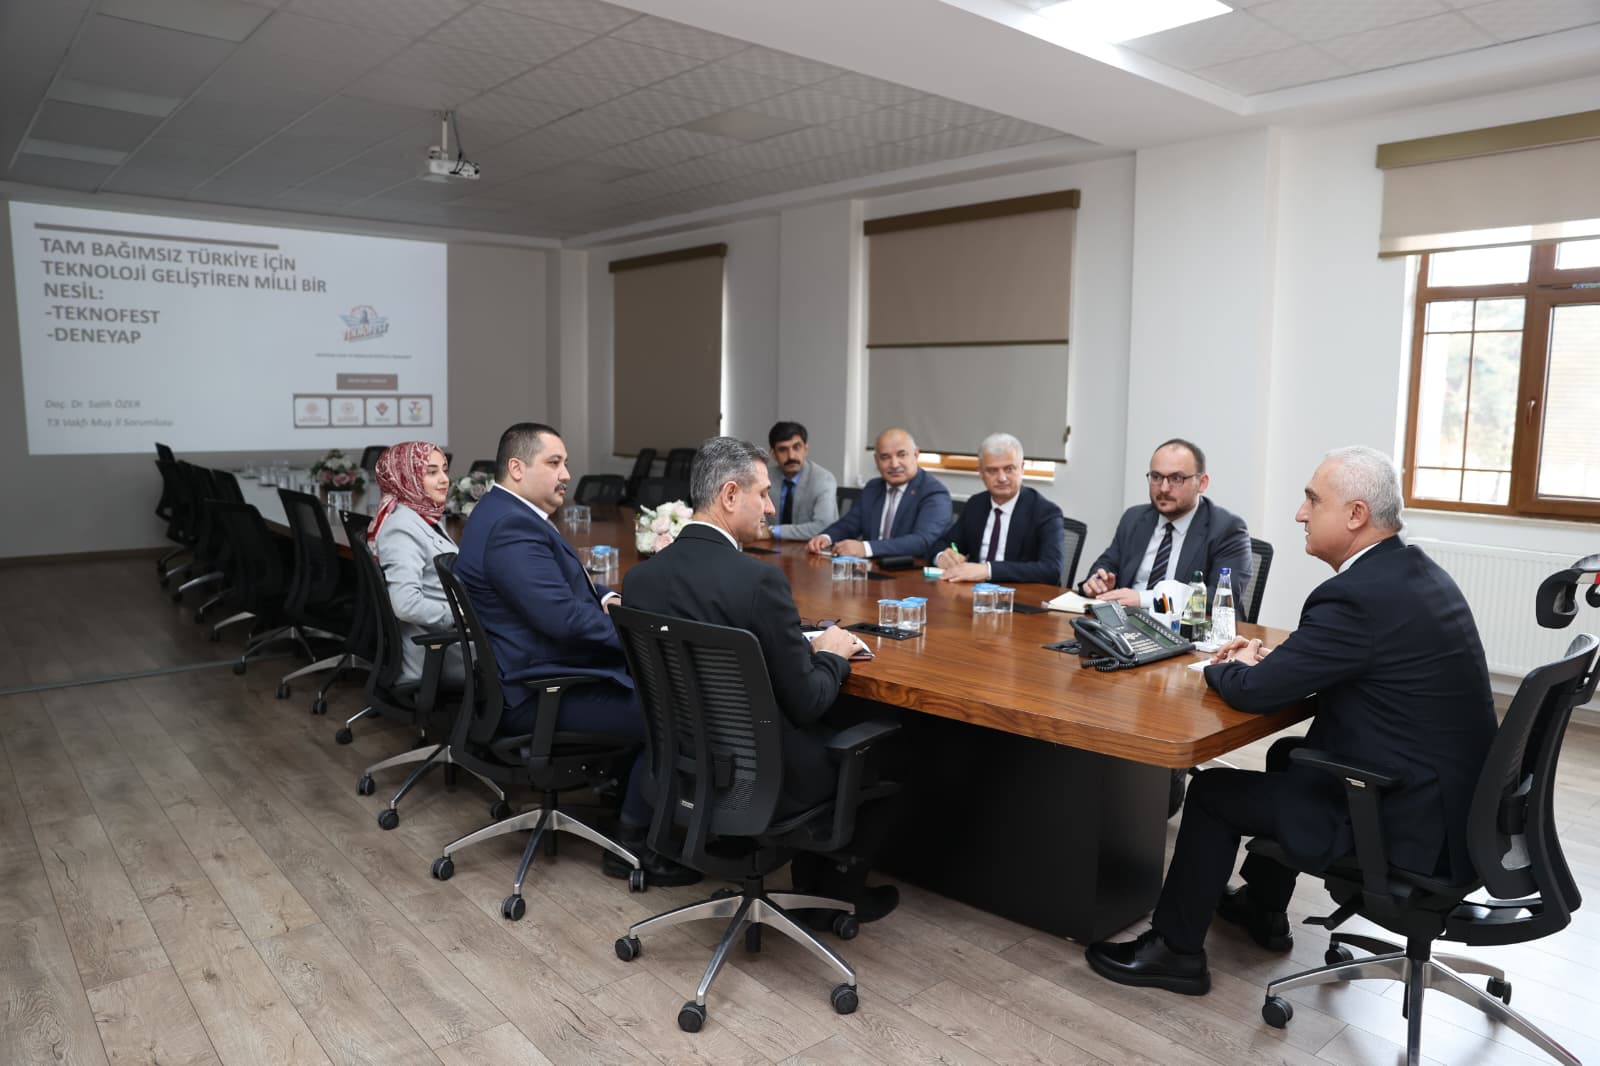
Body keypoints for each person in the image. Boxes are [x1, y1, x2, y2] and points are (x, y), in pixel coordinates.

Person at [1085, 446, 1497, 996]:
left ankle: (1174, 952)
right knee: (1288, 755)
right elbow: (1336, 661)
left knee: (1212, 793)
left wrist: (1224, 665)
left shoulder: (1354, 597)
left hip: (1403, 822)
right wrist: (1273, 664)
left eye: (1312, 500)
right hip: (1456, 809)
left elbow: (1255, 694)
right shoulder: (1410, 572)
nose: (1300, 513)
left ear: (1355, 515)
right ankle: (1263, 907)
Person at [625, 436, 902, 924]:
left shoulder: (641, 579)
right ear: (730, 495)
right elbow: (809, 701)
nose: (771, 508)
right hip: (762, 776)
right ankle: (835, 898)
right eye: (764, 493)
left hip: (682, 766)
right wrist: (832, 654)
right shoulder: (758, 582)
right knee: (884, 751)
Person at [454, 422, 699, 886]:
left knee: (657, 684)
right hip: (541, 691)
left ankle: (623, 796)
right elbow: (563, 620)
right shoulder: (511, 528)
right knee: (675, 709)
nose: (566, 474)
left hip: (534, 674)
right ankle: (635, 842)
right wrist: (644, 638)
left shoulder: (503, 512)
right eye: (554, 463)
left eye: (565, 463)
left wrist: (606, 598)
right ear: (516, 468)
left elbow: (562, 588)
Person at [1079, 438, 1252, 609]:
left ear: (1202, 483)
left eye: (1176, 478)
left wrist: (1145, 599)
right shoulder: (1134, 518)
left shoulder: (1227, 529)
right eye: (1156, 477)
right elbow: (1107, 563)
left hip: (1187, 625)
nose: (1163, 488)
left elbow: (1221, 597)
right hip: (1126, 620)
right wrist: (1099, 582)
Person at [366, 441, 463, 686]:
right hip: (443, 649)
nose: (444, 480)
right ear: (405, 477)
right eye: (431, 472)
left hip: (452, 637)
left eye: (444, 470)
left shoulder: (422, 515)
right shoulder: (401, 528)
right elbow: (405, 604)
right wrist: (461, 615)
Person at [932, 432, 1065, 585]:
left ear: (1022, 468)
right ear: (981, 473)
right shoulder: (976, 504)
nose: (1002, 478)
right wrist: (942, 556)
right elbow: (944, 543)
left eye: (1009, 469)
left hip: (1020, 594)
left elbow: (1052, 569)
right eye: (992, 470)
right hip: (974, 593)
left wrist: (988, 570)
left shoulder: (1045, 512)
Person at [807, 427, 951, 560]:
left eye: (901, 455)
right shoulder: (873, 487)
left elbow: (922, 542)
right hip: (871, 568)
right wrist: (826, 537)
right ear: (876, 461)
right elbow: (849, 524)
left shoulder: (934, 493)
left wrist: (865, 548)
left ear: (916, 455)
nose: (894, 464)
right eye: (885, 457)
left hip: (910, 571)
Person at [754, 420, 839, 542]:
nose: (791, 456)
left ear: (806, 449)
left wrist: (773, 531)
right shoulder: (765, 477)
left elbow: (823, 526)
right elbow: (754, 519)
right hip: (770, 547)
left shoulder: (823, 479)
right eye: (783, 449)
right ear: (773, 454)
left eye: (796, 447)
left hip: (810, 548)